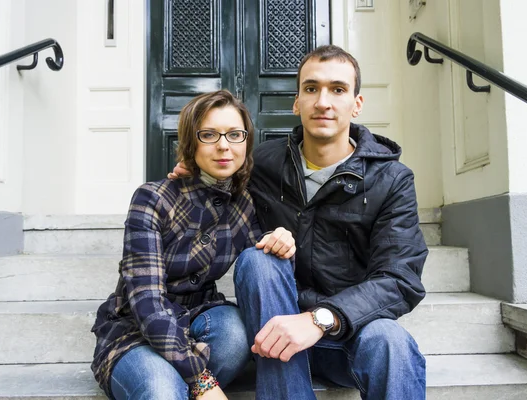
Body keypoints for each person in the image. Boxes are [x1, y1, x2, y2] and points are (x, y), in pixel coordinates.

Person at [170, 45, 428, 400]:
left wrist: (319, 319)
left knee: (392, 341)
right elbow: (218, 185)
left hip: (347, 334)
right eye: (311, 89)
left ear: (356, 104)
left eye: (337, 90)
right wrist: (195, 176)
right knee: (258, 261)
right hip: (275, 334)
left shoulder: (391, 180)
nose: (323, 102)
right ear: (297, 102)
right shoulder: (262, 164)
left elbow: (400, 280)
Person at [91, 90, 296, 400]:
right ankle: (168, 378)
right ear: (190, 142)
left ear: (246, 142)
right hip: (135, 331)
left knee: (234, 337)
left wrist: (283, 239)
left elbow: (264, 256)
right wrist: (202, 380)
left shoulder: (246, 205)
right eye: (209, 135)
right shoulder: (153, 198)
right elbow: (146, 301)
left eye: (235, 134)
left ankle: (178, 374)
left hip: (200, 316)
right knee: (161, 390)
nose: (224, 145)